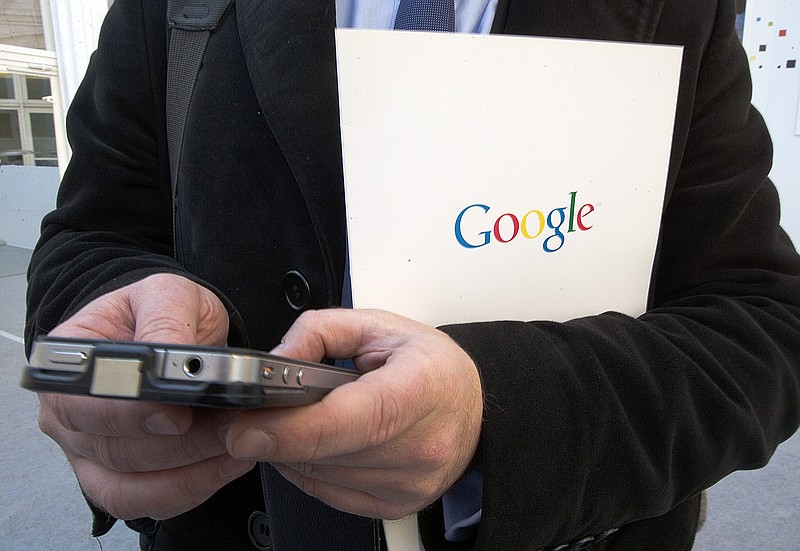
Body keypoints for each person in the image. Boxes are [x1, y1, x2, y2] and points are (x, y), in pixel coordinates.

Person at [25, 0, 800, 550]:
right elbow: (89, 235)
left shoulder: (680, 10)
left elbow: (763, 326)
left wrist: (497, 412)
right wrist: (120, 322)